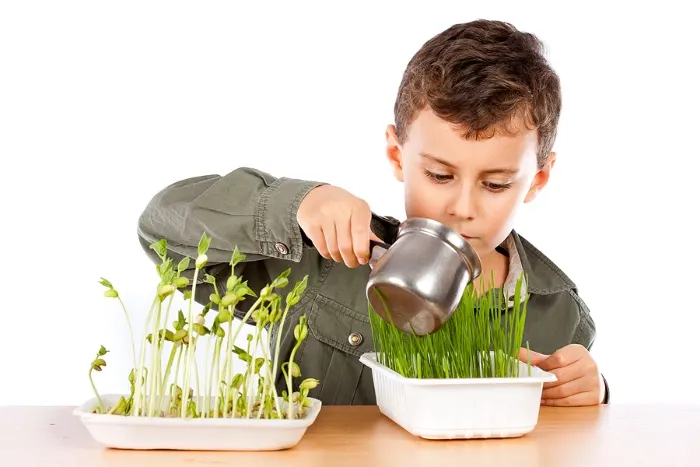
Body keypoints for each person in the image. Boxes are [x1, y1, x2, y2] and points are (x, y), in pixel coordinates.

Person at [137, 19, 609, 407]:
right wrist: (294, 205)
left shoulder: (560, 311)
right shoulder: (324, 263)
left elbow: (571, 441)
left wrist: (595, 392)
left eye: (496, 184)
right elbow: (160, 227)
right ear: (398, 155)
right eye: (440, 176)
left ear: (539, 179)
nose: (462, 208)